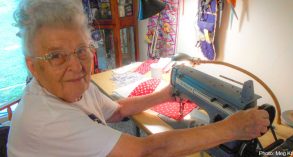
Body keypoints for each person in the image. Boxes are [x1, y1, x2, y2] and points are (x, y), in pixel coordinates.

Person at [7, 0, 270, 156]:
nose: (76, 65)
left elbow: (118, 111)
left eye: (81, 50)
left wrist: (167, 93)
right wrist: (230, 129)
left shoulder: (74, 86)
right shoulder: (46, 118)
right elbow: (146, 151)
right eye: (56, 56)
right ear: (32, 66)